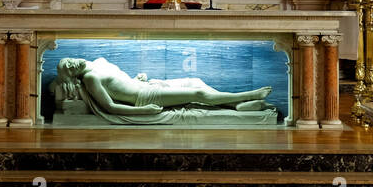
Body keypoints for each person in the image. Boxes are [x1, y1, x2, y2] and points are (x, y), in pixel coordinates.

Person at [52, 57, 271, 119]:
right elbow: (110, 106)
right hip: (144, 97)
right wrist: (142, 111)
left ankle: (238, 105)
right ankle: (250, 95)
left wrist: (136, 77)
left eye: (68, 61)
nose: (71, 64)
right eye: (68, 69)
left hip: (146, 85)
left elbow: (119, 82)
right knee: (198, 94)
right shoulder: (90, 77)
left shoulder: (98, 61)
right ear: (73, 76)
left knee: (195, 81)